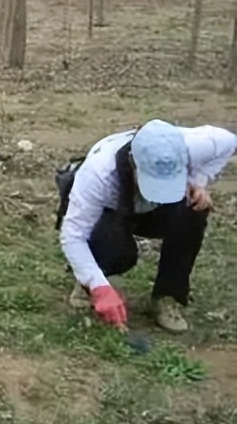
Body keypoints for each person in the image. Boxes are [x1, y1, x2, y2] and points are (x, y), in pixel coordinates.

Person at [59, 119, 236, 333]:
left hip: (157, 212)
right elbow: (73, 236)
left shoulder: (194, 144)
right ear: (134, 163)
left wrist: (199, 181)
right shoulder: (98, 174)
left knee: (194, 209)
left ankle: (168, 295)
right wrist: (98, 287)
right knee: (114, 248)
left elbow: (229, 142)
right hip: (113, 211)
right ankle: (91, 280)